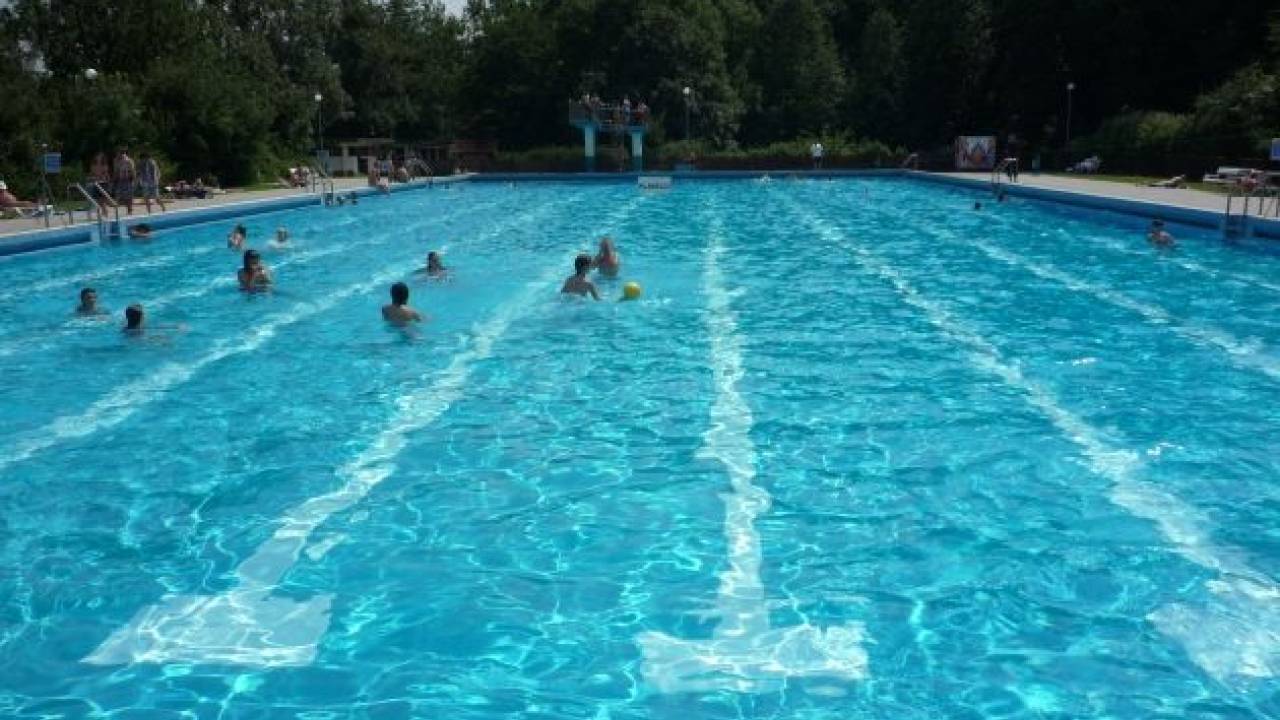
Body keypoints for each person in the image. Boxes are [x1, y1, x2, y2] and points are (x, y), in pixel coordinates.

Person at [112, 147, 136, 215]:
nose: (117, 154)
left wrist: (133, 180)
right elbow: (116, 171)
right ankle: (123, 210)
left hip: (128, 180)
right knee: (118, 195)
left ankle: (129, 210)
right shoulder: (116, 160)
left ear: (122, 153)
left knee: (128, 196)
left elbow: (132, 171)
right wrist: (114, 180)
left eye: (118, 153)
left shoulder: (129, 161)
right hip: (120, 180)